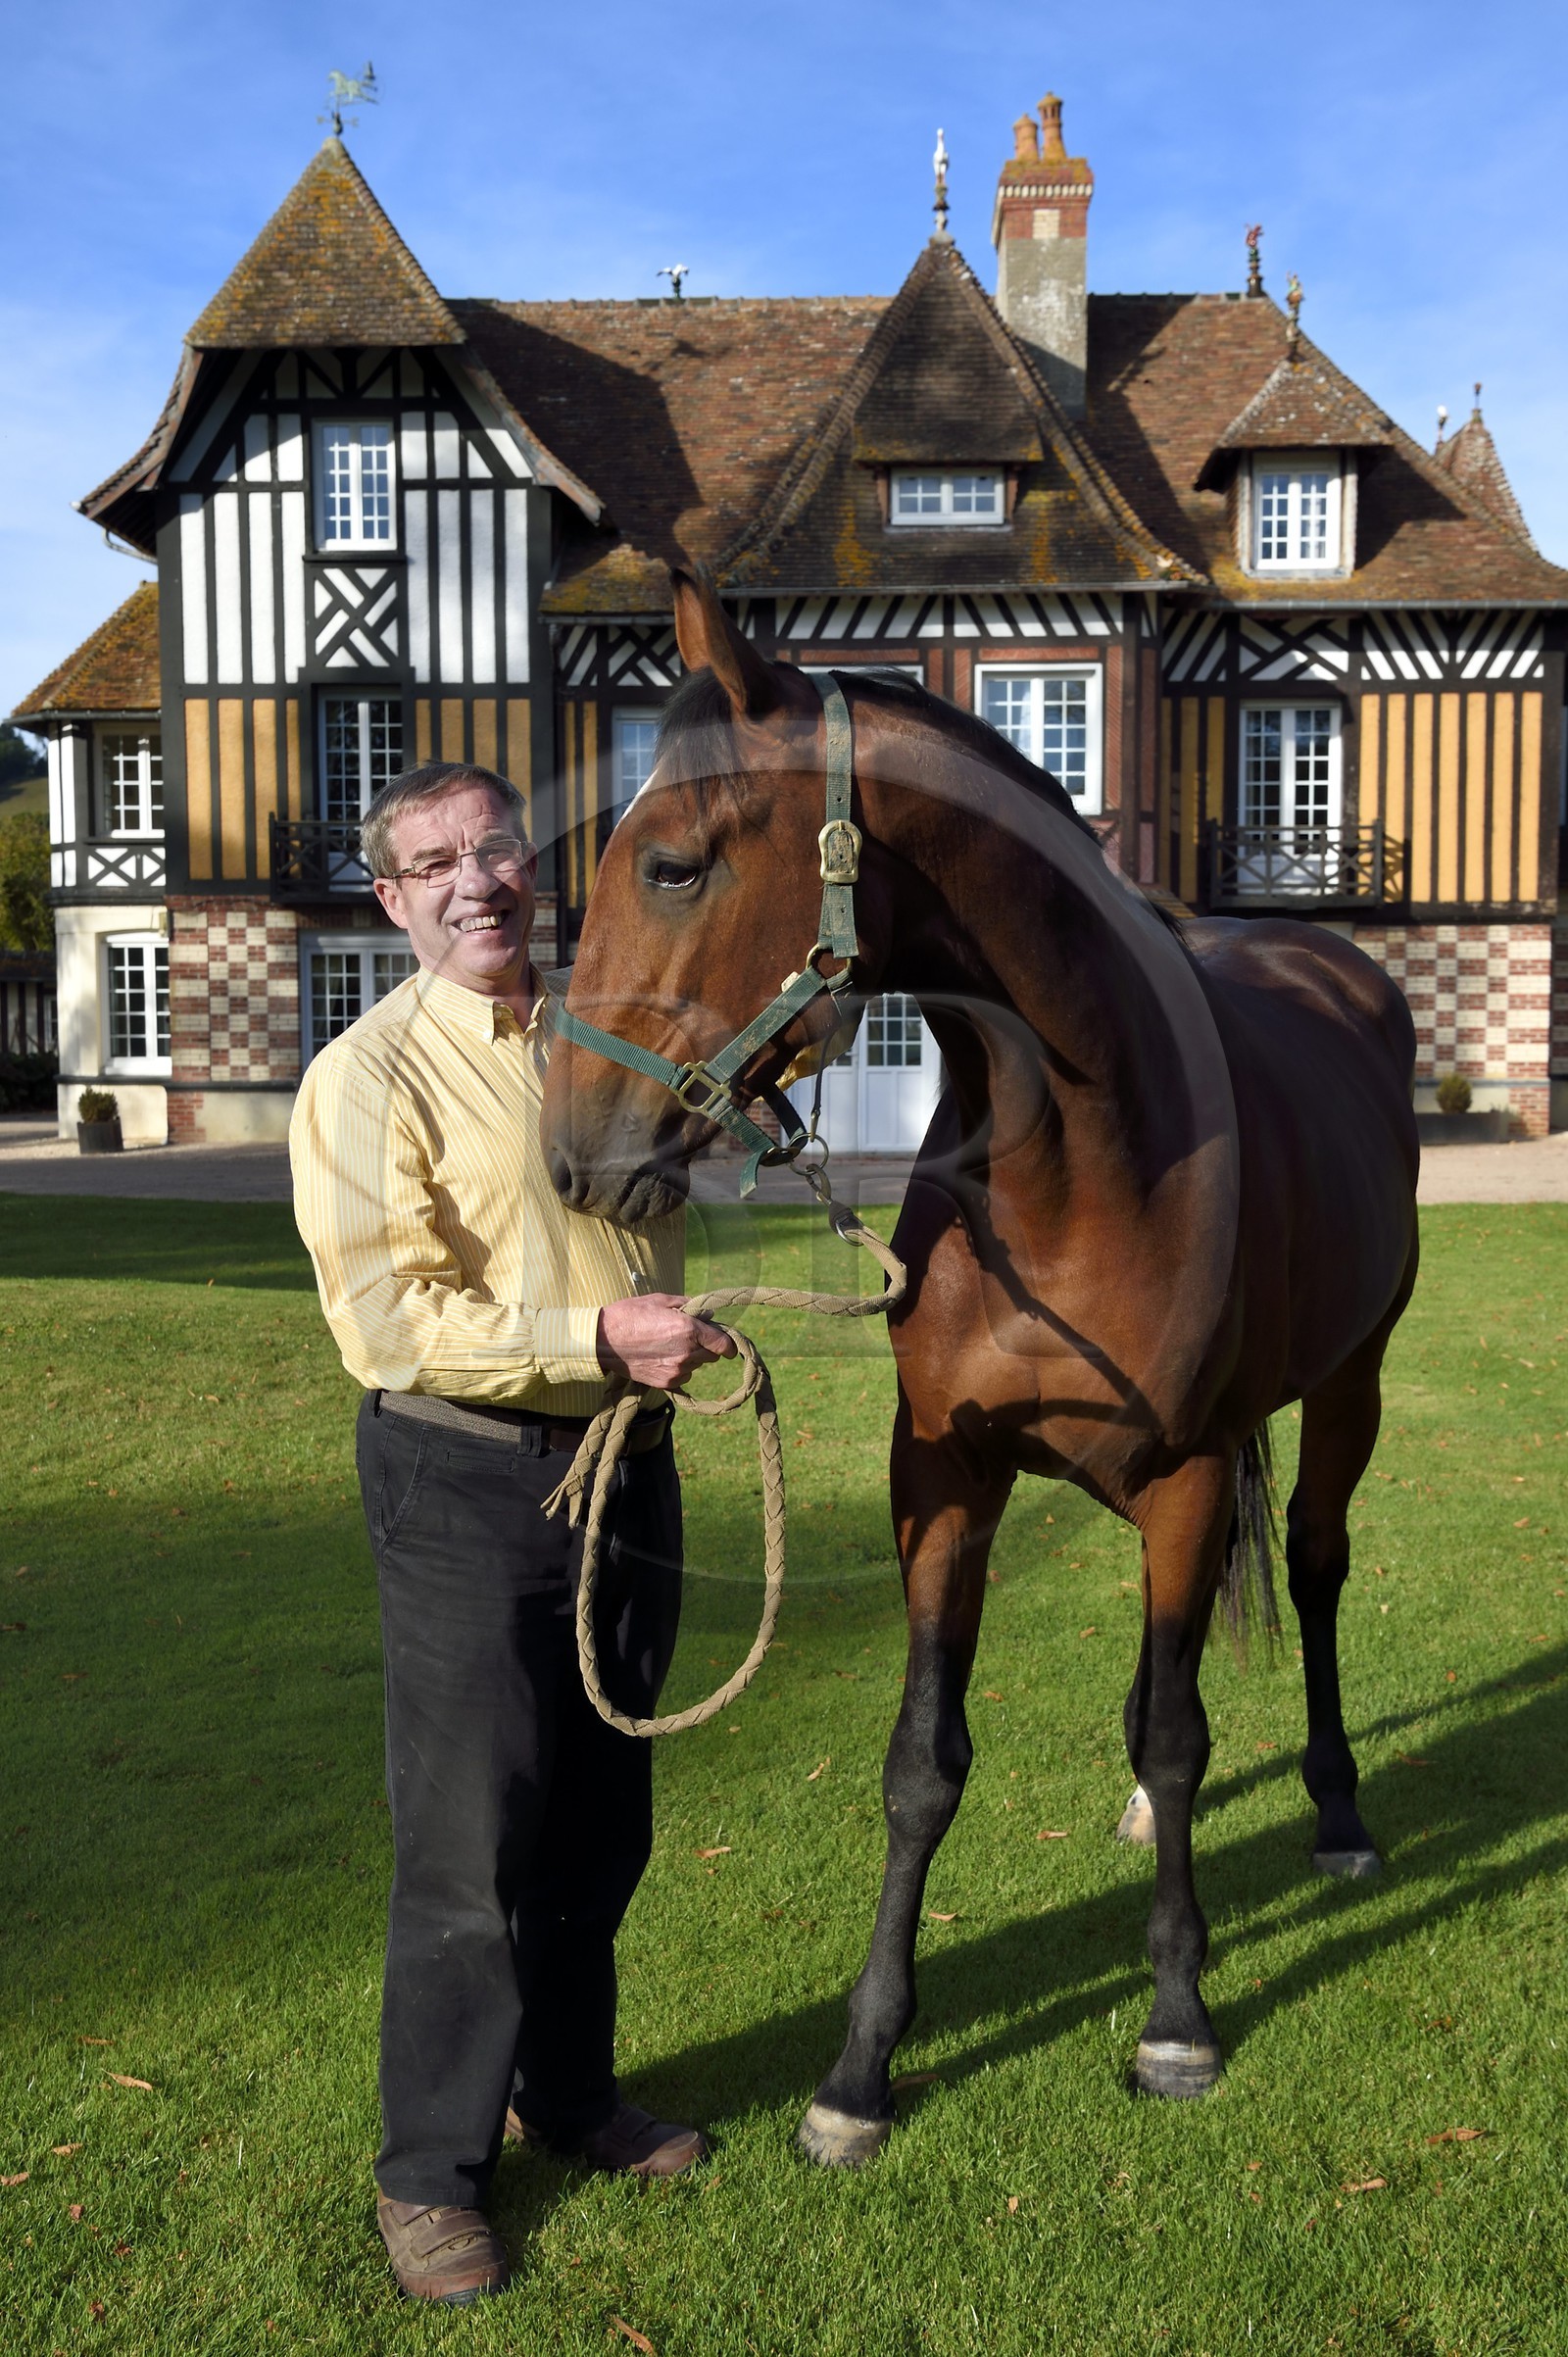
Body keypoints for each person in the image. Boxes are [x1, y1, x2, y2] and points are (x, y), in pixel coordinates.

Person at [290, 759, 732, 2307]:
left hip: (627, 1466)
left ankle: (570, 2089)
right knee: (473, 1846)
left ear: (532, 868)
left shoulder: (600, 1039)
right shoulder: (365, 1076)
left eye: (496, 849)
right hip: (465, 1479)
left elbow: (646, 1203)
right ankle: (430, 2175)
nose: (477, 880)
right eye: (436, 863)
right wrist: (608, 1333)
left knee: (602, 1826)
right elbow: (391, 1322)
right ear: (394, 899)